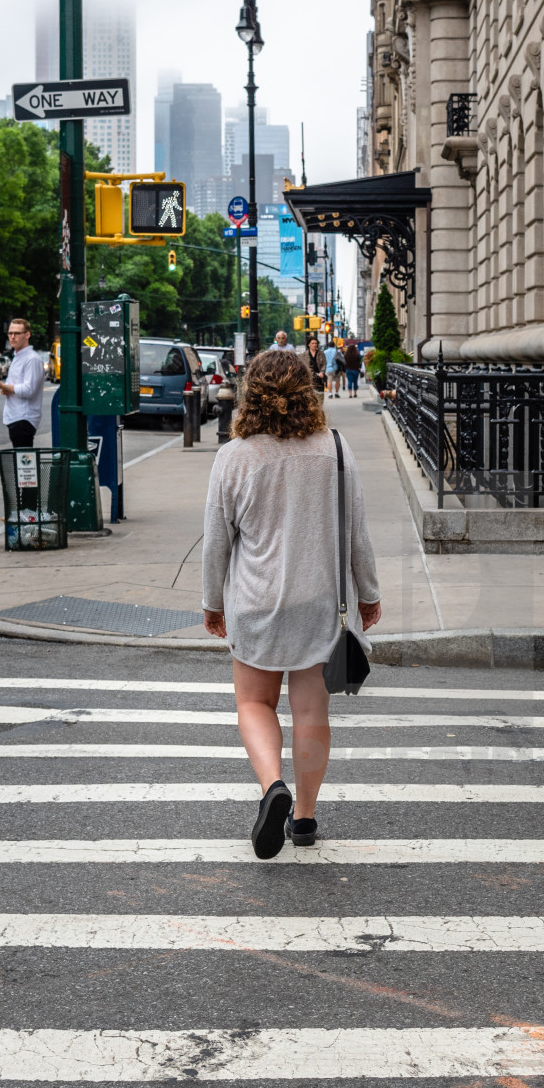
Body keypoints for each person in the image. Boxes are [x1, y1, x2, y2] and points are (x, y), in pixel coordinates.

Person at [202, 349, 381, 858]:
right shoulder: (336, 449)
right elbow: (357, 537)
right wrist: (368, 595)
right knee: (310, 713)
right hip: (321, 602)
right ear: (308, 389)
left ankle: (270, 787)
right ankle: (303, 817)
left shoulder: (233, 457)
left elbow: (217, 542)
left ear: (250, 392)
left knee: (253, 703)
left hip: (256, 602)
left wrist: (213, 603)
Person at [0, 317, 45, 447]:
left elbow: (29, 390)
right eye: (10, 333)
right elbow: (16, 385)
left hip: (24, 418)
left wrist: (3, 385)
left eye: (17, 333)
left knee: (24, 463)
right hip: (16, 417)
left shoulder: (32, 359)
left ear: (27, 335)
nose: (12, 337)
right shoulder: (18, 357)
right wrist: (2, 387)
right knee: (21, 462)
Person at [304, 334, 326, 399]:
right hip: (309, 378)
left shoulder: (321, 354)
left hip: (319, 377)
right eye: (312, 343)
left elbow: (324, 364)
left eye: (316, 343)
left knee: (320, 396)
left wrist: (322, 372)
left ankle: (320, 408)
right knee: (310, 397)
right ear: (309, 345)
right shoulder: (304, 354)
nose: (314, 345)